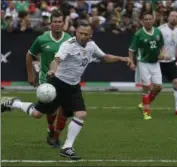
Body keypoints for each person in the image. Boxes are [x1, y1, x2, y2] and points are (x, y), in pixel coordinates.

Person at [1, 21, 131, 160]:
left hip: (73, 87)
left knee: (80, 114)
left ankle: (67, 147)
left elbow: (104, 57)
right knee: (37, 114)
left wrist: (120, 58)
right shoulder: (68, 45)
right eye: (80, 33)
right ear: (76, 32)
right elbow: (56, 60)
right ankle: (15, 103)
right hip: (57, 84)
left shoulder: (91, 46)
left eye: (85, 34)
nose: (82, 36)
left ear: (91, 36)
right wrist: (52, 70)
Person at [26, 9, 71, 148]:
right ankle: (51, 131)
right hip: (46, 78)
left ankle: (55, 135)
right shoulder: (42, 39)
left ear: (63, 23)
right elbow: (29, 55)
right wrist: (31, 74)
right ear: (50, 24)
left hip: (64, 79)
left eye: (60, 22)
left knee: (64, 110)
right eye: (55, 22)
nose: (57, 24)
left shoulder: (69, 39)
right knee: (51, 110)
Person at [128, 12, 166, 120]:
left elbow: (162, 46)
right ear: (142, 21)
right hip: (143, 63)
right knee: (146, 87)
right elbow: (131, 50)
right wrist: (132, 62)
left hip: (155, 63)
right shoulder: (138, 34)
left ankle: (144, 103)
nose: (148, 21)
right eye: (146, 19)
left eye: (150, 19)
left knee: (158, 87)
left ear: (153, 20)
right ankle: (147, 112)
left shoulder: (158, 32)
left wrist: (162, 53)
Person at [158, 11, 177, 116]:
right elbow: (156, 44)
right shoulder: (160, 29)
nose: (174, 18)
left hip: (171, 62)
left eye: (176, 16)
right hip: (158, 62)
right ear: (168, 17)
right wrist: (161, 54)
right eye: (172, 16)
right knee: (155, 87)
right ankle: (145, 105)